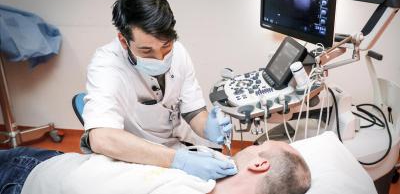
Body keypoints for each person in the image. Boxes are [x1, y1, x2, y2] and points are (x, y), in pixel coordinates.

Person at [80, 0, 235, 181]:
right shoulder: (107, 65)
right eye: (146, 51)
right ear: (123, 40)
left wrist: (208, 127)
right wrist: (178, 161)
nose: (160, 58)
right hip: (138, 159)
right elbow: (101, 138)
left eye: (166, 46)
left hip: (180, 147)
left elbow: (193, 111)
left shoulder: (179, 52)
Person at [0, 140, 311, 194]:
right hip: (60, 162)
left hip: (26, 176)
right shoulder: (209, 172)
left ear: (258, 164)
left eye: (256, 147)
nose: (250, 148)